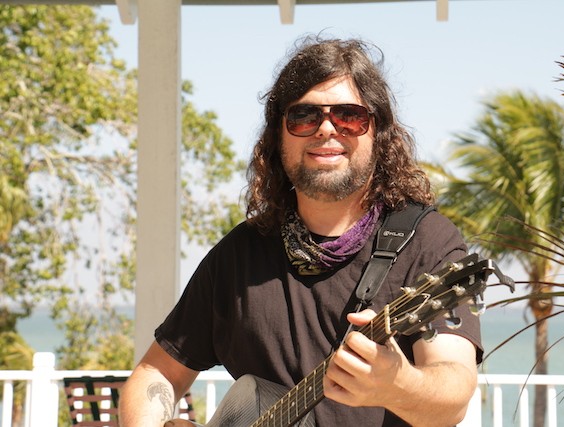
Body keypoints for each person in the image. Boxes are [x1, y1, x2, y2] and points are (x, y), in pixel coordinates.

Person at [119, 36, 482, 427]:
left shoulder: (427, 242)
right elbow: (157, 372)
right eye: (304, 116)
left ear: (377, 133)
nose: (326, 129)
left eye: (349, 116)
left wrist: (397, 384)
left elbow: (453, 396)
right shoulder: (240, 255)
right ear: (279, 135)